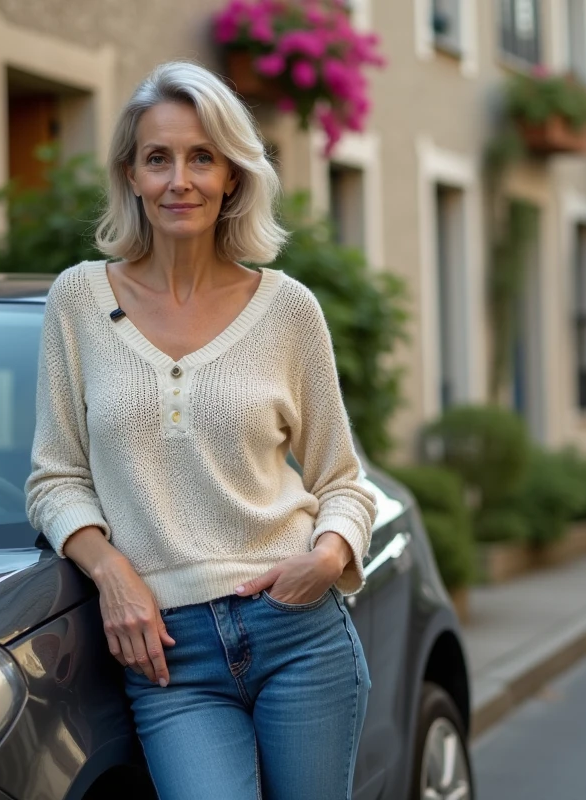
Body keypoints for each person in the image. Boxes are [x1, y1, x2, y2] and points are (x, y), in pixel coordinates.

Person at [25, 60, 377, 800]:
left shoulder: (288, 310)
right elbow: (56, 479)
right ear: (131, 175)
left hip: (297, 634)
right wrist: (113, 573)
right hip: (169, 657)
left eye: (201, 158)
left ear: (232, 177)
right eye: (158, 158)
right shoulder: (78, 302)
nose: (179, 180)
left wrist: (325, 558)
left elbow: (343, 480)